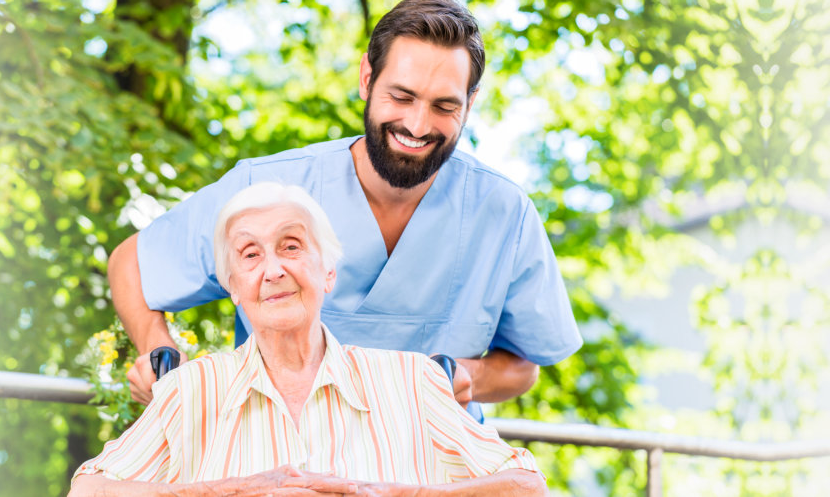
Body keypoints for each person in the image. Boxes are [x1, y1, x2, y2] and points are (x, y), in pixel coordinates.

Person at [107, 0, 580, 414]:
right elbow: (132, 263)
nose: (418, 124)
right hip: (281, 465)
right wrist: (156, 351)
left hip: (433, 472)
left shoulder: (504, 213)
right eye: (402, 96)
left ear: (470, 105)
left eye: (444, 106)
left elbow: (523, 367)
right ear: (366, 78)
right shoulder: (270, 186)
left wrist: (465, 379)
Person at [71, 182, 547, 496]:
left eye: (291, 246)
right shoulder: (191, 390)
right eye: (250, 255)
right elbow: (89, 489)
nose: (274, 270)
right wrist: (229, 490)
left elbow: (527, 486)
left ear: (328, 273)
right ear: (234, 288)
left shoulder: (411, 381)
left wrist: (398, 493)